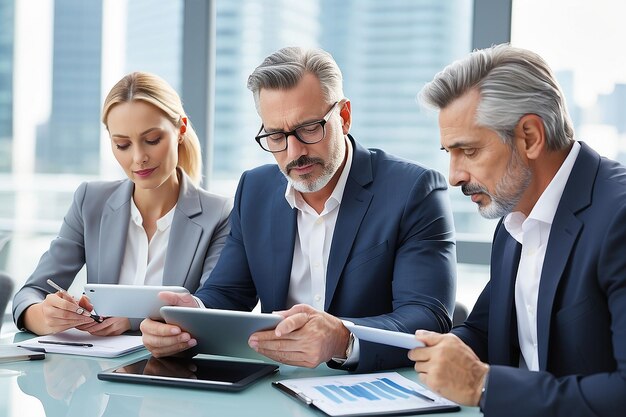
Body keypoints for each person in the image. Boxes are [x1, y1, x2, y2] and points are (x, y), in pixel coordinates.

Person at [141, 47, 456, 372]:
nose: (295, 152)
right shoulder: (255, 189)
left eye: (308, 129)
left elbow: (427, 317)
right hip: (276, 385)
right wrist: (188, 315)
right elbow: (228, 292)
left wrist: (342, 338)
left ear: (344, 117)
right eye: (276, 135)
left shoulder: (413, 190)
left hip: (369, 387)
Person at [409, 44, 626, 417]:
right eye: (449, 153)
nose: (454, 176)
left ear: (529, 137)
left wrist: (483, 385)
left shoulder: (618, 218)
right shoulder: (513, 220)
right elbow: (483, 333)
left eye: (470, 151)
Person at [12, 72, 232, 337]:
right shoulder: (90, 201)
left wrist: (132, 320)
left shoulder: (218, 214)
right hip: (96, 366)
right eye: (122, 144)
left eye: (152, 140)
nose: (138, 157)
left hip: (175, 368)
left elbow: (211, 308)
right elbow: (29, 294)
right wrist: (46, 316)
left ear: (180, 130)